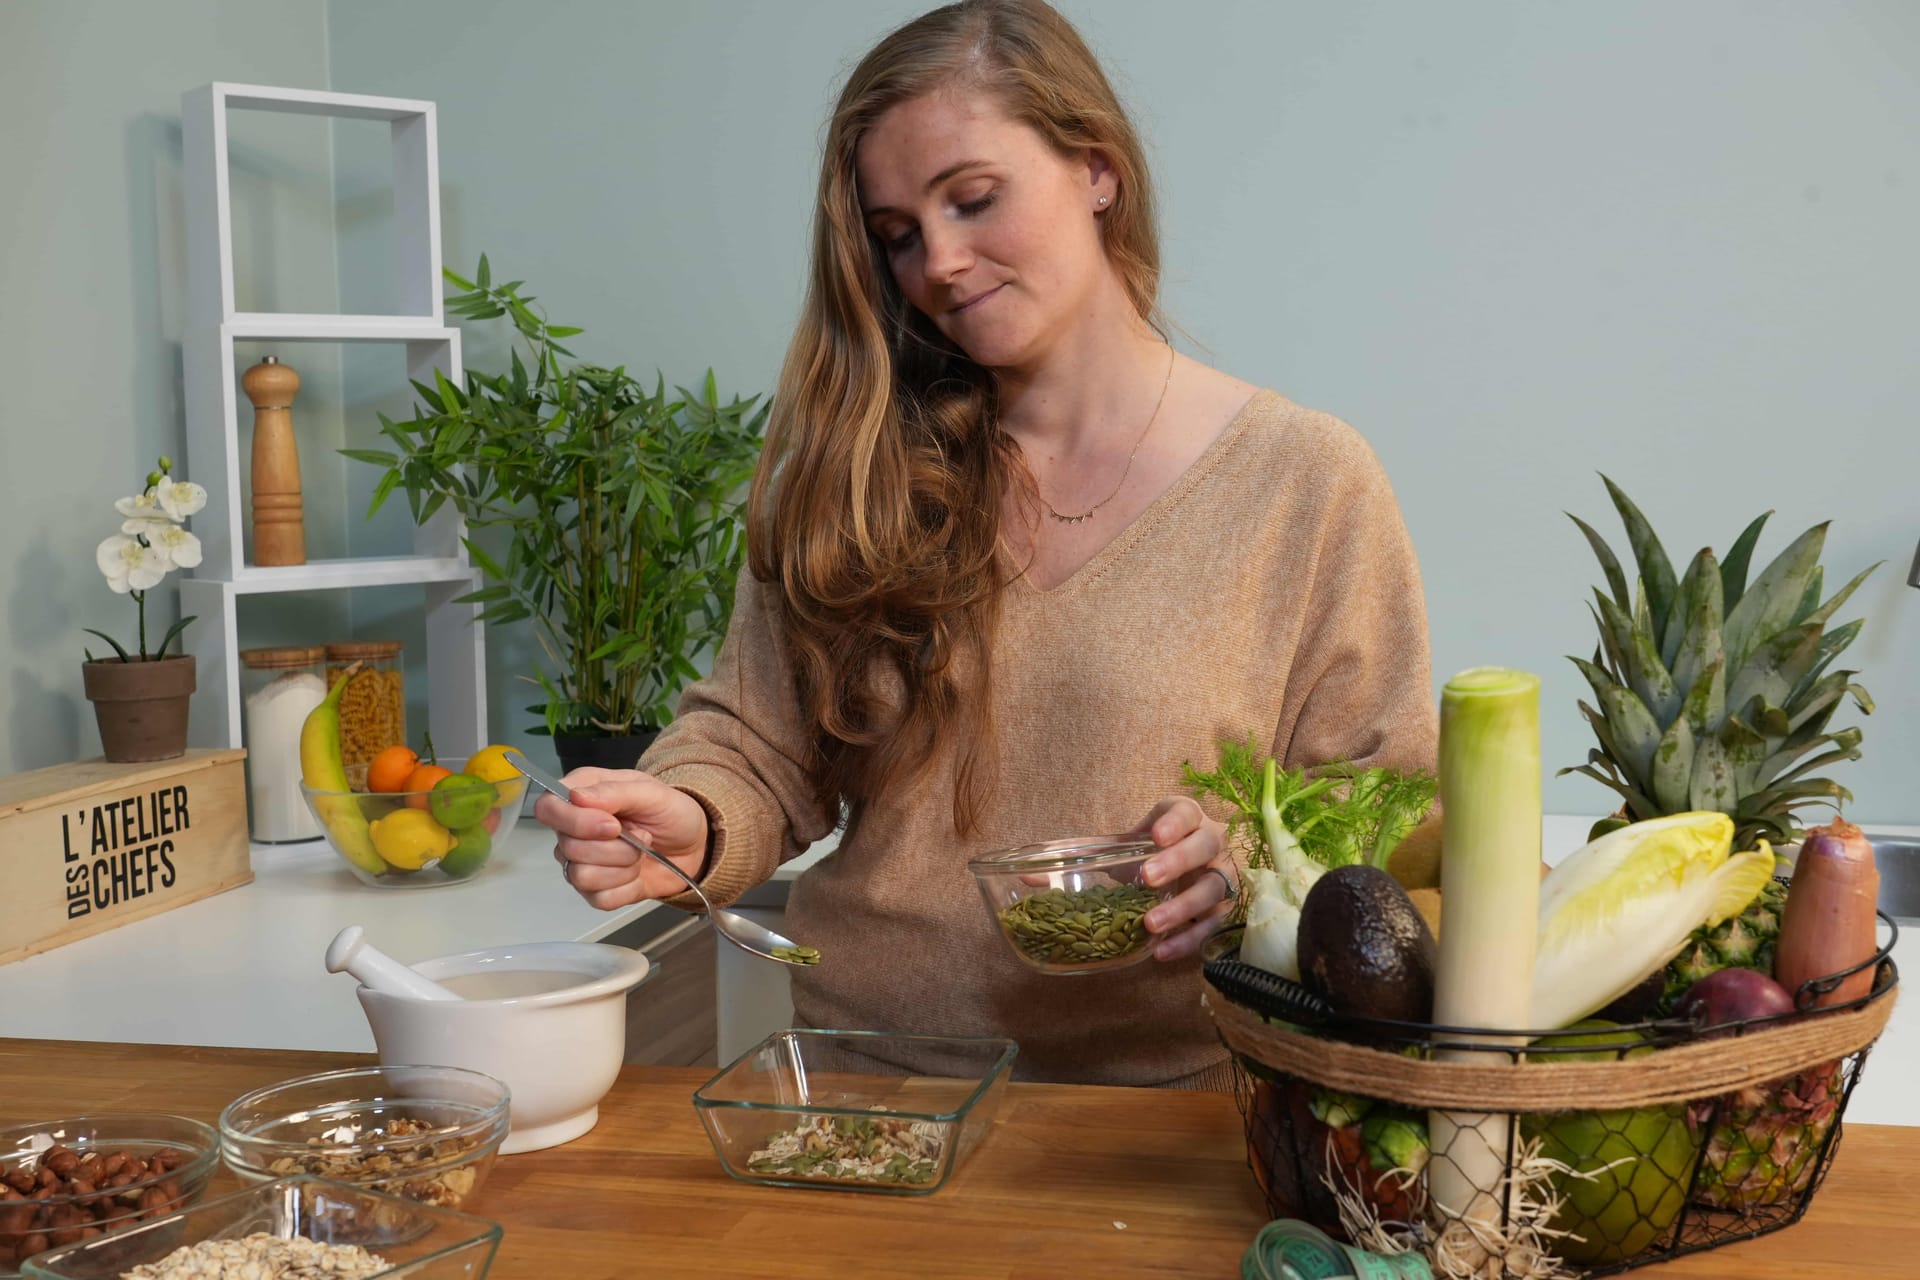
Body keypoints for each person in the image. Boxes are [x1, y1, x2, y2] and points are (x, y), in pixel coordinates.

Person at [535, 0, 1435, 1089]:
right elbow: (759, 743)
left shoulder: (1305, 479)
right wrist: (686, 814)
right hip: (870, 1075)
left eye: (973, 199)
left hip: (1181, 1100)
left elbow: (1386, 796)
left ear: (1096, 168)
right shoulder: (857, 464)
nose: (942, 263)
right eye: (898, 234)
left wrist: (1239, 858)